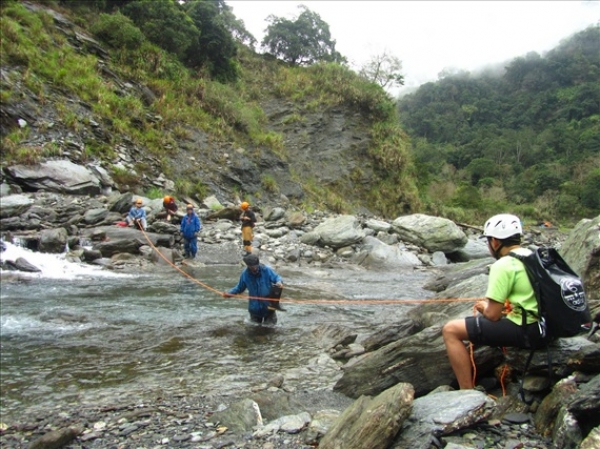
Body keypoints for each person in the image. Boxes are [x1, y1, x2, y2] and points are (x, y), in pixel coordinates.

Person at [442, 213, 546, 390]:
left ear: (496, 242)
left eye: (489, 241)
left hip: (528, 331)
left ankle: (466, 392)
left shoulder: (503, 265)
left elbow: (493, 315)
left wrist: (483, 308)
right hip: (546, 326)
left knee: (450, 330)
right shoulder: (533, 256)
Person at [223, 253, 283, 325]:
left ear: (258, 263)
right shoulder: (245, 274)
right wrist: (229, 293)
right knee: (254, 330)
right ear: (248, 266)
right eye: (251, 267)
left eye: (255, 266)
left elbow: (277, 277)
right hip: (254, 310)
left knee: (271, 329)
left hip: (269, 308)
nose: (254, 268)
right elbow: (239, 288)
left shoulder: (266, 270)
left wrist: (279, 282)